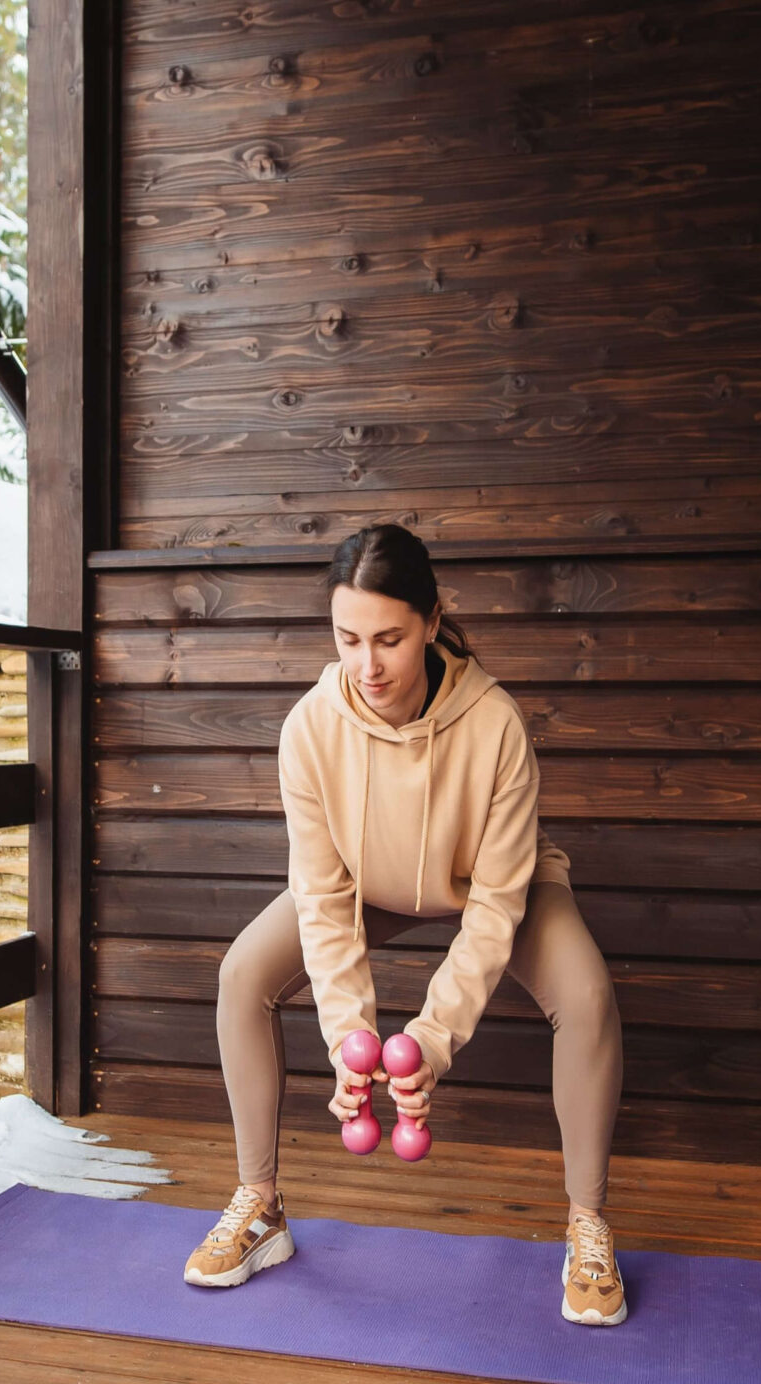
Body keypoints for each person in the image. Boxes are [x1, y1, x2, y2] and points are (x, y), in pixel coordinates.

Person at [180, 524, 629, 1325]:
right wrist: (348, 1040)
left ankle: (587, 1224)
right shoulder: (309, 730)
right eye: (348, 638)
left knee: (588, 992)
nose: (368, 664)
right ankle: (260, 1204)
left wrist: (430, 1037)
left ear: (431, 618)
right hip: (369, 881)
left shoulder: (495, 726)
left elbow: (494, 907)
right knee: (243, 974)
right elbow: (322, 899)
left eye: (388, 638)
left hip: (490, 880)